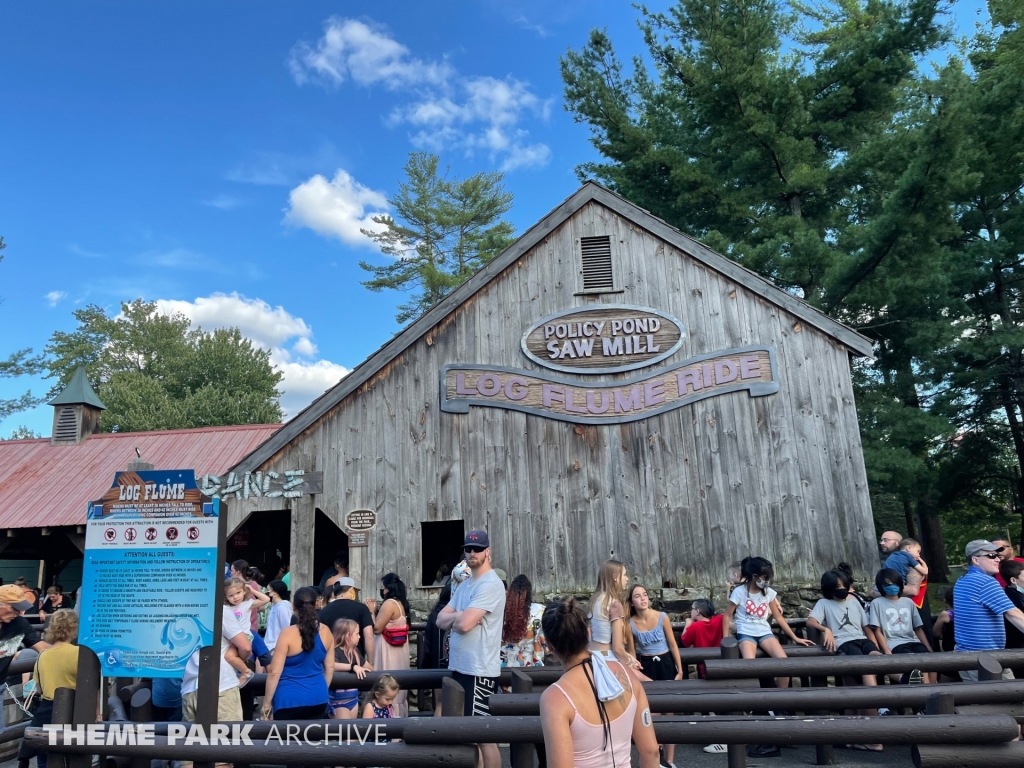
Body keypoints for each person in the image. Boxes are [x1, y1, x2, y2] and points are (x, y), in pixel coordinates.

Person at [539, 597, 660, 768]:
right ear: (588, 633)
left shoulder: (554, 698)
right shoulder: (626, 673)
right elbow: (651, 751)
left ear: (550, 645)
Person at [722, 557, 812, 758]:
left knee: (784, 664)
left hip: (765, 631)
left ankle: (779, 702)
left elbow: (779, 617)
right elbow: (727, 615)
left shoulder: (769, 593)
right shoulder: (739, 592)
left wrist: (795, 637)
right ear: (755, 576)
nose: (767, 581)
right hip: (746, 631)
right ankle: (753, 705)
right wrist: (725, 638)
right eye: (764, 577)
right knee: (750, 667)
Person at [436, 529, 506, 768]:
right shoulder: (466, 585)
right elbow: (439, 620)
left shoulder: (491, 584)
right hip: (460, 666)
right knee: (469, 733)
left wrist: (459, 618)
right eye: (468, 549)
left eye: (477, 548)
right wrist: (463, 616)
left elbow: (463, 625)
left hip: (479, 669)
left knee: (483, 735)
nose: (472, 552)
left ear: (488, 551)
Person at [807, 568, 885, 751]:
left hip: (862, 641)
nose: (842, 589)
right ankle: (876, 733)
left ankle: (855, 734)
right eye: (838, 587)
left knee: (875, 660)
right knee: (865, 677)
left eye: (844, 586)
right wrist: (826, 629)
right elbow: (811, 621)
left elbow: (866, 627)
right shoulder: (824, 603)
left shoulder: (854, 602)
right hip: (844, 643)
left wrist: (874, 645)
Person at [628, 584, 682, 768]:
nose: (642, 599)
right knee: (651, 711)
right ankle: (656, 757)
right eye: (637, 596)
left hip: (666, 663)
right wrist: (635, 671)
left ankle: (671, 760)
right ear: (632, 601)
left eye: (645, 595)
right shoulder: (630, 623)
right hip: (646, 664)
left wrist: (680, 669)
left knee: (670, 710)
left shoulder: (662, 617)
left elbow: (673, 644)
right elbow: (631, 652)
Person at [954, 540, 1024, 680]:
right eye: (991, 555)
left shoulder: (961, 581)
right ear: (975, 560)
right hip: (986, 659)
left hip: (964, 656)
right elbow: (1013, 614)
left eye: (998, 555)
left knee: (979, 701)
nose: (998, 559)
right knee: (1014, 697)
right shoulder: (986, 582)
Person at [16, 609, 78, 768]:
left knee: (44, 760)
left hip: (47, 714)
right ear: (74, 628)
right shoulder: (80, 654)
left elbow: (39, 689)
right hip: (74, 712)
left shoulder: (43, 655)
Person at [261, 586, 334, 720]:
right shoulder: (326, 631)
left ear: (293, 606)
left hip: (288, 699)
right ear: (316, 604)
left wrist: (266, 704)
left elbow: (274, 672)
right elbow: (330, 667)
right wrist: (321, 690)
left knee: (286, 740)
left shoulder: (287, 634)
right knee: (313, 740)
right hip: (318, 697)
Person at [181, 597, 251, 724]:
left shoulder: (179, 610)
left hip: (189, 688)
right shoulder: (220, 610)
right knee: (228, 739)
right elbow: (245, 647)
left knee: (193, 741)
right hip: (221, 686)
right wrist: (237, 656)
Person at [866, 569, 936, 684]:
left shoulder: (908, 602)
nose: (892, 586)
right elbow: (878, 630)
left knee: (929, 660)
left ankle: (933, 688)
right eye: (887, 584)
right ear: (881, 586)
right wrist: (886, 650)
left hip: (913, 641)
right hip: (894, 643)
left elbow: (917, 628)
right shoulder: (877, 603)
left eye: (894, 583)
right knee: (916, 662)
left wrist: (928, 647)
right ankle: (925, 692)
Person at [680, 599, 727, 755]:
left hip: (705, 669)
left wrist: (688, 622)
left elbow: (684, 641)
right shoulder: (719, 620)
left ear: (697, 612)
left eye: (692, 609)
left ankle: (720, 739)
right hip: (723, 668)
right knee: (723, 702)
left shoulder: (695, 626)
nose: (691, 612)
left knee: (710, 703)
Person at [365, 572, 411, 717]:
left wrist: (372, 612)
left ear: (388, 588)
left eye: (383, 587)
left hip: (388, 650)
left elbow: (377, 628)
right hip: (399, 651)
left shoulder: (389, 603)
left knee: (386, 680)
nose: (382, 590)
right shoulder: (401, 603)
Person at [587, 560, 639, 671]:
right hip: (608, 660)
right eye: (624, 575)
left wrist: (628, 655)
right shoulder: (614, 604)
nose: (627, 578)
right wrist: (631, 663)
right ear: (615, 577)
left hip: (593, 657)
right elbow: (617, 648)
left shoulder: (594, 599)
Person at [222, 577, 271, 685]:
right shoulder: (226, 608)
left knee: (229, 657)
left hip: (245, 637)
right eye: (231, 595)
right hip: (232, 639)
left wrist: (253, 591)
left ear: (244, 591)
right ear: (226, 597)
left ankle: (246, 672)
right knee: (229, 659)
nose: (235, 597)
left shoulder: (247, 604)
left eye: (238, 592)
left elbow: (266, 599)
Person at [0, 586, 49, 682]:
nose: (18, 613)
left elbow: (42, 647)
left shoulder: (19, 624)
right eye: (14, 608)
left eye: (20, 609)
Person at [319, 577, 375, 661]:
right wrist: (370, 662)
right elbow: (369, 636)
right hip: (357, 660)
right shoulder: (362, 608)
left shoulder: (324, 611)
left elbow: (321, 638)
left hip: (333, 661)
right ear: (351, 590)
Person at [501, 575, 547, 667]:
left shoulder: (502, 612)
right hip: (533, 668)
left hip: (505, 668)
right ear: (529, 593)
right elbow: (545, 645)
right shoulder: (541, 611)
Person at [329, 618, 369, 719]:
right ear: (347, 636)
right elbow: (331, 665)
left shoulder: (355, 652)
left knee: (352, 732)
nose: (360, 637)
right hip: (338, 702)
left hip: (353, 699)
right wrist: (353, 667)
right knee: (344, 733)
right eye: (357, 634)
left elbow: (368, 667)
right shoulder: (334, 651)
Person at [423, 583, 453, 716]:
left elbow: (427, 644)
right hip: (459, 666)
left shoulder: (435, 615)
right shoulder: (462, 613)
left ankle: (438, 734)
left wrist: (425, 666)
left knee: (440, 703)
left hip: (438, 665)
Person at [230, 560, 265, 634]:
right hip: (252, 625)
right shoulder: (254, 584)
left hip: (237, 627)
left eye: (232, 570)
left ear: (238, 571)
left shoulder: (231, 586)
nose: (230, 573)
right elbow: (261, 607)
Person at [264, 579, 294, 653]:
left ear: (274, 592)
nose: (266, 593)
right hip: (270, 646)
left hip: (276, 647)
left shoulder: (282, 607)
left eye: (268, 590)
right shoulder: (275, 606)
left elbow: (286, 626)